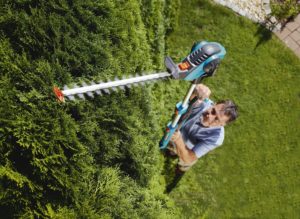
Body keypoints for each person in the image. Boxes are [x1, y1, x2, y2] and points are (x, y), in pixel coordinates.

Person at [169, 84, 238, 172]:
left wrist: (178, 140)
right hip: (175, 135)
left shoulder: (216, 138)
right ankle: (172, 151)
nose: (210, 117)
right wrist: (195, 91)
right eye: (213, 111)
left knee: (186, 163)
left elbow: (190, 158)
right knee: (171, 151)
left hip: (187, 148)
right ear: (213, 104)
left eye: (217, 119)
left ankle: (179, 172)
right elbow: (190, 99)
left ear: (222, 125)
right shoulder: (203, 104)